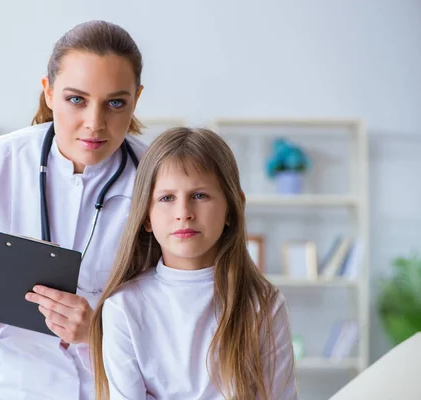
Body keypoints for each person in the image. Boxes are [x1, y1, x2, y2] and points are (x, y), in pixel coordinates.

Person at [0, 20, 148, 400]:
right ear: (48, 92)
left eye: (115, 103)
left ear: (136, 98)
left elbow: (175, 314)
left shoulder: (157, 178)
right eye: (76, 99)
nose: (94, 123)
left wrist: (98, 329)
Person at [90, 127, 298, 400]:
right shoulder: (123, 307)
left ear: (231, 209)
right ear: (146, 217)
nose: (184, 214)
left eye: (199, 195)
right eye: (167, 198)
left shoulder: (264, 304)